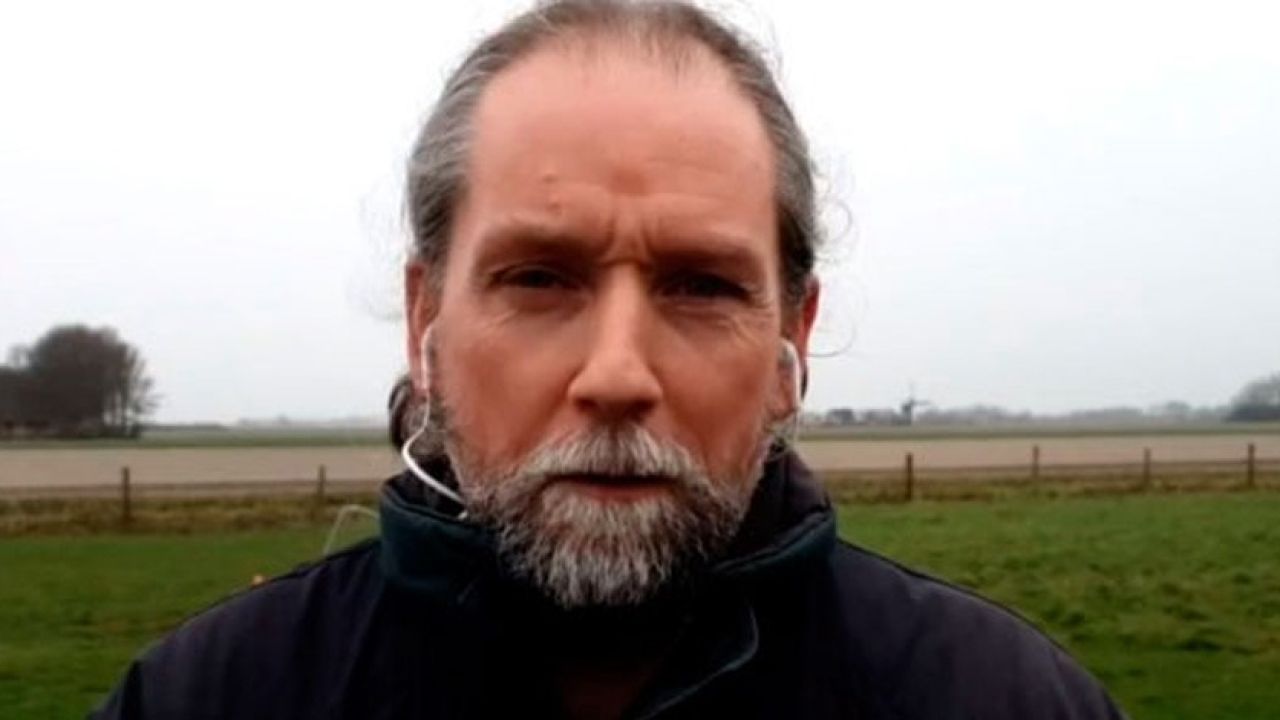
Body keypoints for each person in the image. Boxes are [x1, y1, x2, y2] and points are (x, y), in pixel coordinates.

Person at [93, 1, 1125, 718]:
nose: (618, 375)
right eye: (540, 279)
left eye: (701, 286)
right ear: (425, 320)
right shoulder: (205, 699)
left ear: (793, 340)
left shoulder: (1002, 701)